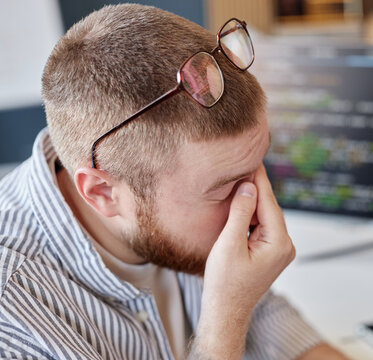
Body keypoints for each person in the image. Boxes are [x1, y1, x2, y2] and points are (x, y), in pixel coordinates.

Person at [0, 4, 349, 359]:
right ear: (104, 193)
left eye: (258, 169)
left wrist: (239, 303)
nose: (259, 209)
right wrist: (225, 317)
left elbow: (272, 324)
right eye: (228, 190)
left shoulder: (160, 191)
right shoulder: (13, 317)